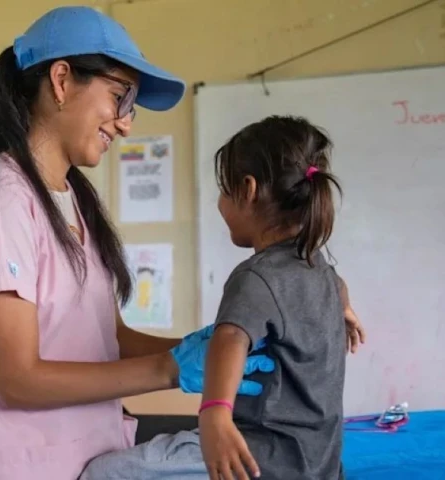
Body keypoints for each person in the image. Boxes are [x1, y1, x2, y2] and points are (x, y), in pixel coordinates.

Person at [0, 6, 365, 479]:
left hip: (86, 460)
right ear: (61, 80)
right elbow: (17, 379)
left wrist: (210, 348)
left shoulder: (72, 201)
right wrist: (171, 368)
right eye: (119, 97)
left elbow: (107, 339)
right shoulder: (0, 199)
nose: (126, 123)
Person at [80, 115, 354, 480]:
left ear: (249, 189)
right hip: (317, 463)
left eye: (224, 191)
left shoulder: (256, 276)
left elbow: (229, 339)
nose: (220, 204)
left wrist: (215, 413)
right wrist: (345, 308)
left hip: (255, 456)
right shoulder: (320, 270)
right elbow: (338, 285)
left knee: (104, 473)